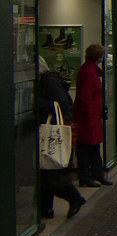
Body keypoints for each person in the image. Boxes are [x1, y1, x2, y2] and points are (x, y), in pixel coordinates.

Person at [39, 58, 86, 220]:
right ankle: (46, 208)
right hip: (57, 130)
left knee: (51, 171)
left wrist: (36, 102)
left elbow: (61, 104)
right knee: (46, 170)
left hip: (54, 132)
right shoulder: (51, 80)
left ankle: (74, 198)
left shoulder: (48, 82)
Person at [73, 43, 112, 188]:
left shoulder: (89, 71)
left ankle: (96, 174)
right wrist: (90, 115)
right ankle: (87, 176)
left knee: (92, 147)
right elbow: (85, 97)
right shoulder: (89, 73)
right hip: (88, 118)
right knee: (86, 148)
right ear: (99, 57)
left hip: (91, 116)